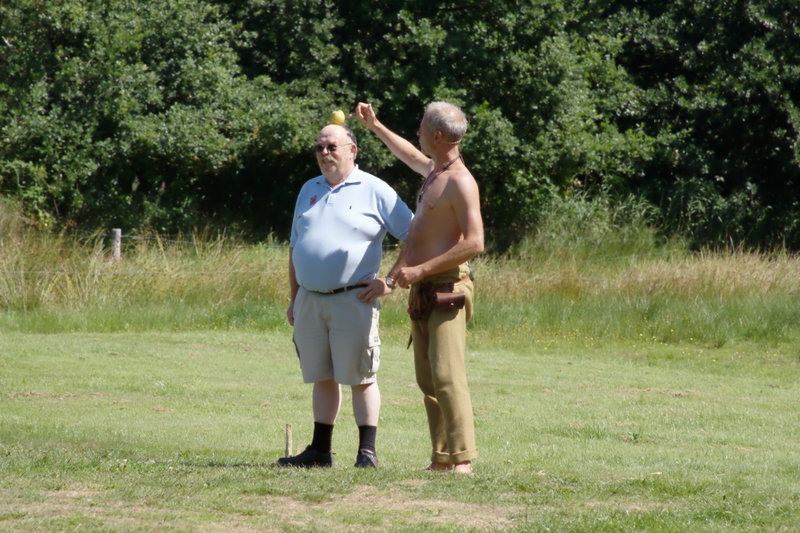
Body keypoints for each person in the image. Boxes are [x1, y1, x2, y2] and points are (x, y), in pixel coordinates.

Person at [355, 101, 484, 474]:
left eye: (423, 126)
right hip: (422, 286)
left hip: (447, 287)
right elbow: (408, 153)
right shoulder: (434, 170)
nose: (418, 132)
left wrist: (422, 269)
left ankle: (463, 461)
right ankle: (441, 459)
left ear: (438, 136)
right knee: (427, 378)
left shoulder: (460, 181)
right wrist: (376, 126)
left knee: (447, 374)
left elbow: (475, 242)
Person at [278, 122, 413, 468]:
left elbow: (414, 236)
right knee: (321, 375)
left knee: (361, 377)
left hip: (355, 299)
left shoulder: (375, 189)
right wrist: (294, 298)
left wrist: (391, 281)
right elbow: (295, 247)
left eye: (331, 147)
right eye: (319, 147)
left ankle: (366, 453)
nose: (324, 153)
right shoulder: (309, 189)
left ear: (352, 150)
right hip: (310, 299)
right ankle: (320, 451)